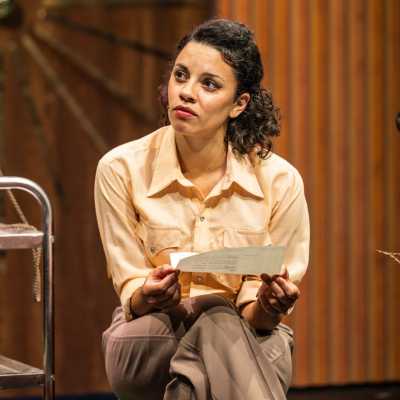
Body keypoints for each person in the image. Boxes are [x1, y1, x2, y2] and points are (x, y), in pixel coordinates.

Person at [94, 19, 309, 400]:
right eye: (181, 76)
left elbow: (258, 318)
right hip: (149, 334)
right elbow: (132, 294)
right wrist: (150, 293)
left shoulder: (280, 180)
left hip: (249, 333)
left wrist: (269, 304)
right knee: (216, 314)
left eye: (209, 84)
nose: (187, 93)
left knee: (217, 322)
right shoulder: (120, 168)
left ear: (239, 104)